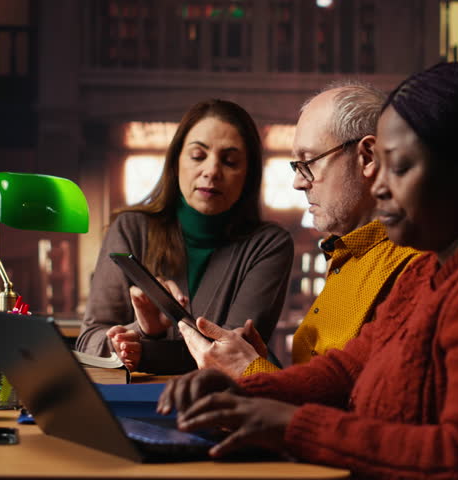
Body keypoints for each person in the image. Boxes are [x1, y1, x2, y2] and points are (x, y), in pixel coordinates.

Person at [158, 63, 458, 479]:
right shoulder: (439, 269)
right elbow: (349, 365)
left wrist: (291, 426)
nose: (378, 187)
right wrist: (244, 389)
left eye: (398, 168)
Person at [178, 81, 419, 377]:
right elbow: (328, 385)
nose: (298, 182)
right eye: (297, 165)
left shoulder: (412, 266)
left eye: (310, 161)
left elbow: (365, 406)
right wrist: (257, 362)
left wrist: (249, 371)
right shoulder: (346, 253)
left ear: (367, 157)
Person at [76, 99, 294, 375]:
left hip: (220, 407)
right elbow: (88, 342)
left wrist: (143, 350)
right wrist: (142, 330)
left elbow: (230, 356)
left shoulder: (269, 245)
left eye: (230, 161)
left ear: (249, 175)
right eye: (198, 156)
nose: (212, 171)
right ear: (176, 161)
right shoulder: (130, 228)